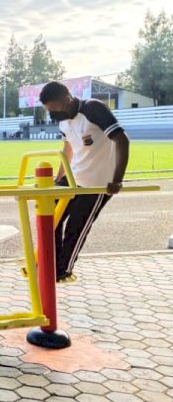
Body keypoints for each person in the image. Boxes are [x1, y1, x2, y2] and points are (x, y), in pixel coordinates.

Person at [39, 81, 130, 283]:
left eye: (54, 108)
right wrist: (59, 178)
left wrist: (117, 180)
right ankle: (50, 263)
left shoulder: (93, 109)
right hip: (73, 177)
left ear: (67, 98)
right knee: (49, 215)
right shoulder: (63, 122)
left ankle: (63, 270)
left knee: (76, 226)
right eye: (49, 111)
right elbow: (68, 150)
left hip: (97, 182)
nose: (53, 114)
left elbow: (122, 140)